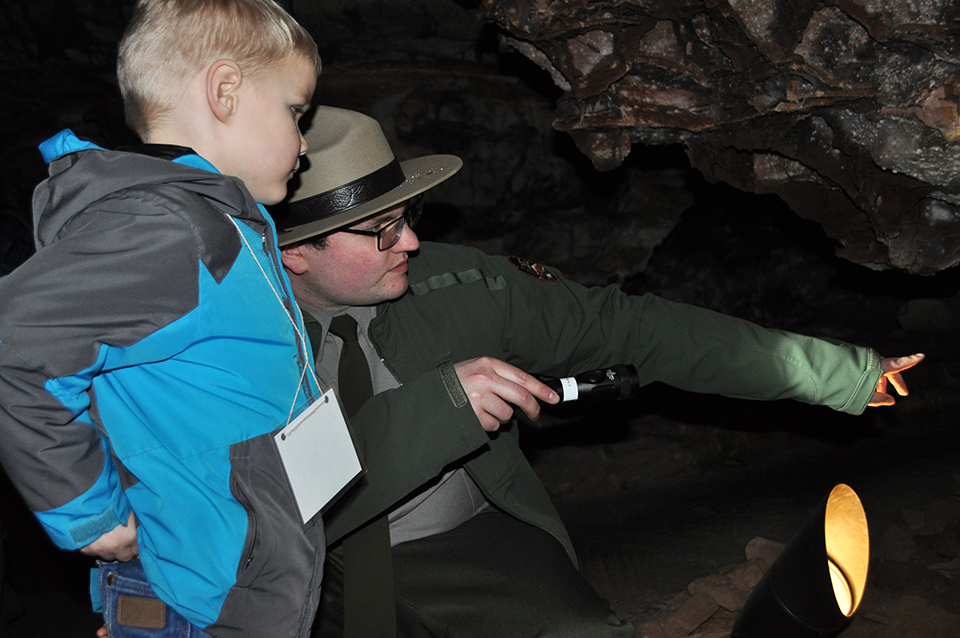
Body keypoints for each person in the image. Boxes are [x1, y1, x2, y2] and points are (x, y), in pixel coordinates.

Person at [274, 106, 923, 638]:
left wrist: (839, 375)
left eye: (407, 218)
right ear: (297, 253)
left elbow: (635, 330)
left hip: (462, 543)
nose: (410, 243)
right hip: (300, 565)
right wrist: (440, 407)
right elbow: (262, 498)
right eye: (382, 231)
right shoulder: (212, 342)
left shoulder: (459, 287)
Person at [0, 1, 329, 636]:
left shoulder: (218, 222)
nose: (305, 141)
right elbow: (13, 343)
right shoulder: (172, 229)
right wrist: (90, 513)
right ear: (226, 90)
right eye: (295, 111)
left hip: (241, 572)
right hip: (201, 595)